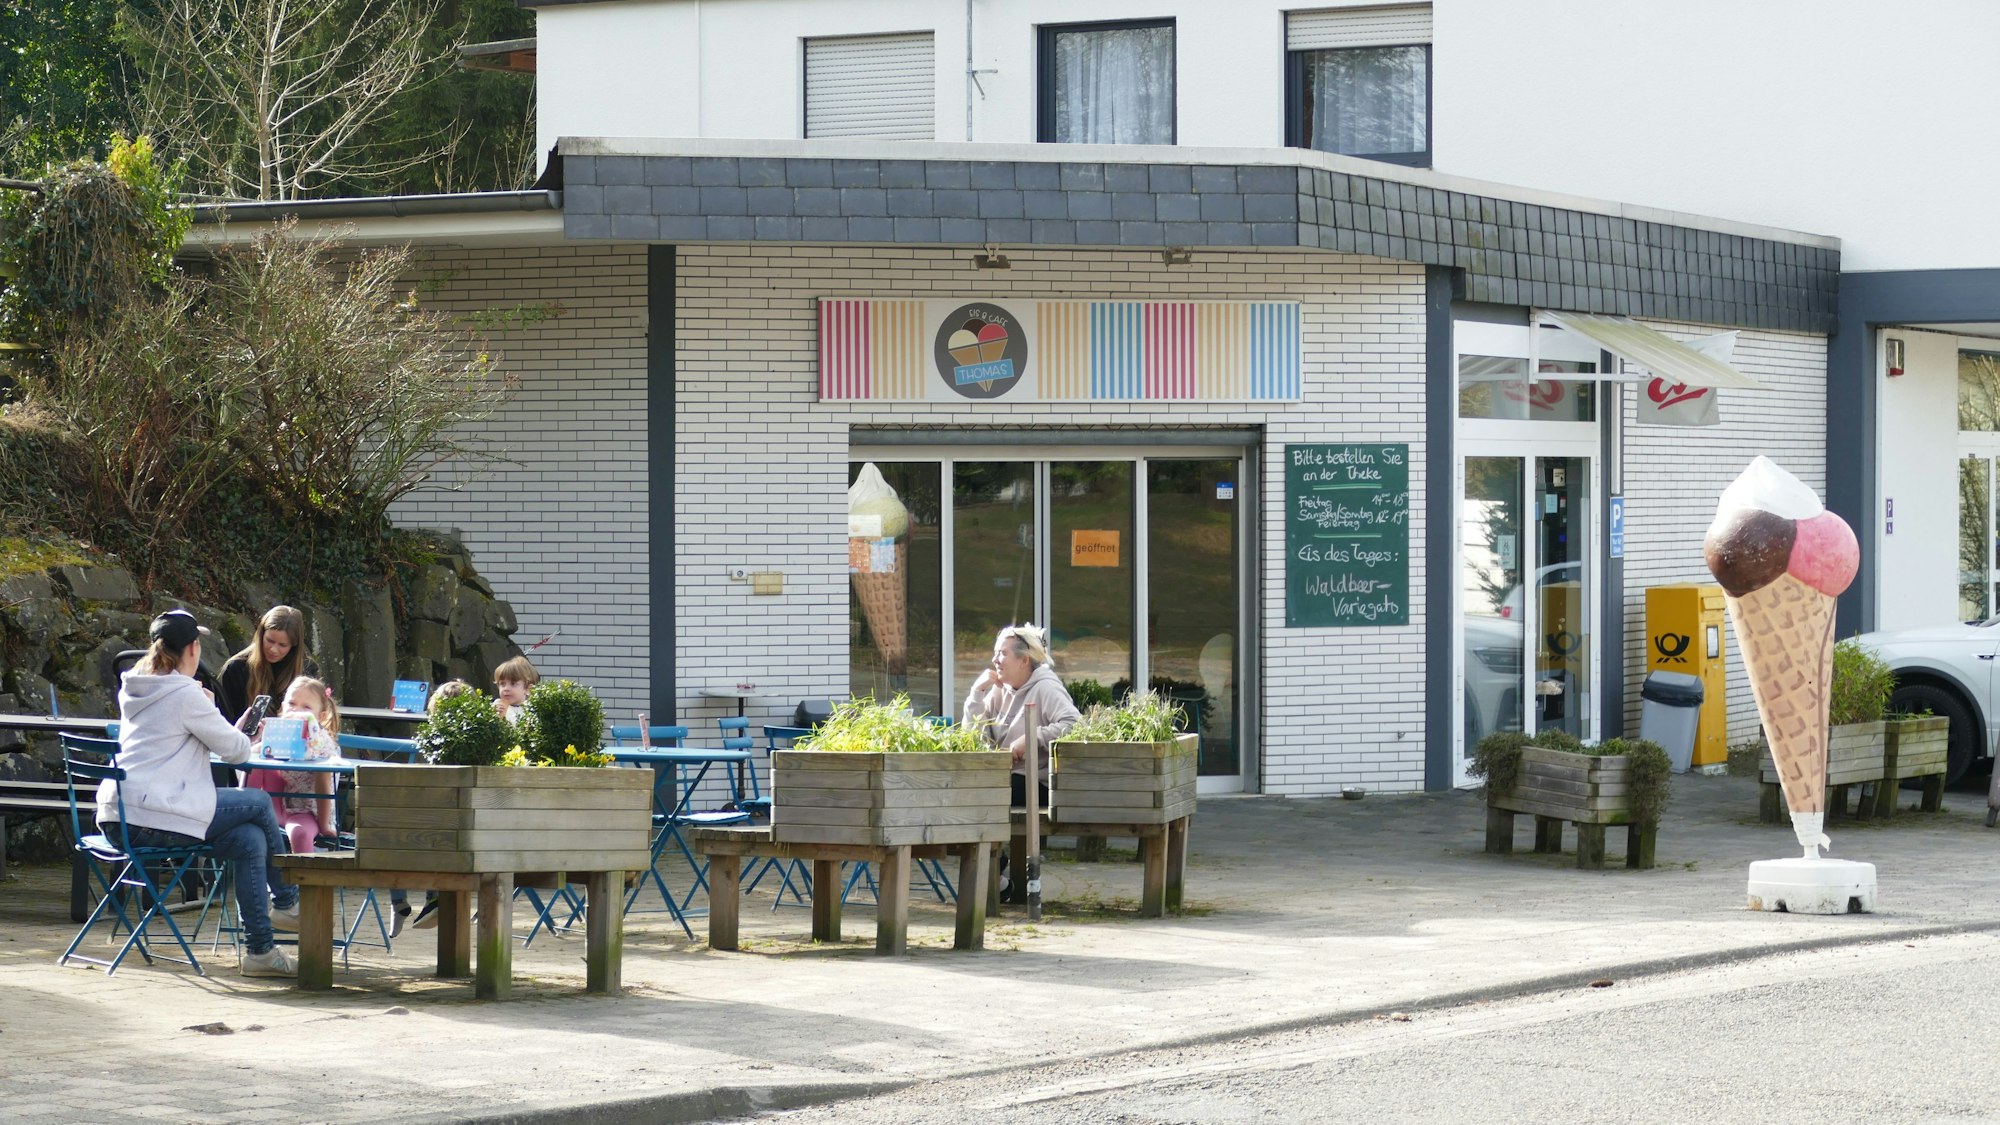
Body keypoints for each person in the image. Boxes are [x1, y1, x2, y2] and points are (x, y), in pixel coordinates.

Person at [102, 609, 301, 977]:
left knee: (248, 838)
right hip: (154, 815)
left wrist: (216, 717)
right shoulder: (185, 695)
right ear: (192, 649)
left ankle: (260, 952)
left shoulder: (137, 687)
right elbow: (239, 752)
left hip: (120, 816)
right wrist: (212, 710)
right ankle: (288, 901)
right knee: (258, 802)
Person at [962, 623, 1080, 809]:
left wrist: (1032, 738)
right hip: (1002, 776)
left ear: (1024, 660)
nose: (995, 660)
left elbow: (1075, 724)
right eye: (995, 653)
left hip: (1036, 783)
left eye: (1002, 653)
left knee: (974, 798)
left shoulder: (1046, 687)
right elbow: (972, 738)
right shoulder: (999, 691)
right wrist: (976, 692)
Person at [243, 676, 341, 855]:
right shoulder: (279, 733)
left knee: (299, 833)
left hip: (307, 810)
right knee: (258, 758)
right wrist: (261, 741)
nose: (297, 711)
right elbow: (249, 757)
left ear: (320, 716)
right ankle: (247, 809)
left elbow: (325, 784)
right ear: (282, 708)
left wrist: (324, 824)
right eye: (292, 704)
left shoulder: (319, 742)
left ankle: (305, 879)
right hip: (277, 803)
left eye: (306, 707)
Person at [406, 680, 476, 932]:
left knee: (430, 831)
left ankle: (420, 900)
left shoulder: (438, 743)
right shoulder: (476, 739)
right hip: (469, 829)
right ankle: (430, 900)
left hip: (446, 830)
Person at [216, 606, 319, 727]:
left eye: (282, 645)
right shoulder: (237, 668)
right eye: (270, 641)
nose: (274, 650)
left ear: (294, 645)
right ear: (261, 635)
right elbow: (222, 720)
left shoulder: (307, 669)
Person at [493, 656, 539, 723]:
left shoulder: (531, 710)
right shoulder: (497, 706)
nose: (506, 689)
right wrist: (496, 716)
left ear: (528, 689)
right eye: (502, 684)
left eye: (513, 684)